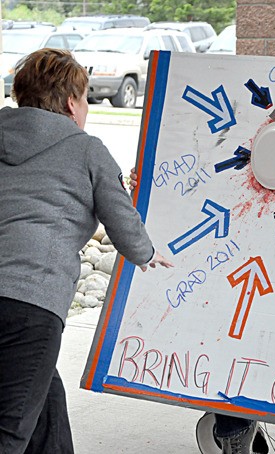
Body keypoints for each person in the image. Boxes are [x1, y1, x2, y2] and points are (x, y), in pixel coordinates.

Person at [0, 48, 173, 454]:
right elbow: (120, 216)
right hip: (32, 302)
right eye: (85, 98)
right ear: (69, 102)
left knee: (44, 403)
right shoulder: (85, 148)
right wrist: (147, 254)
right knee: (10, 430)